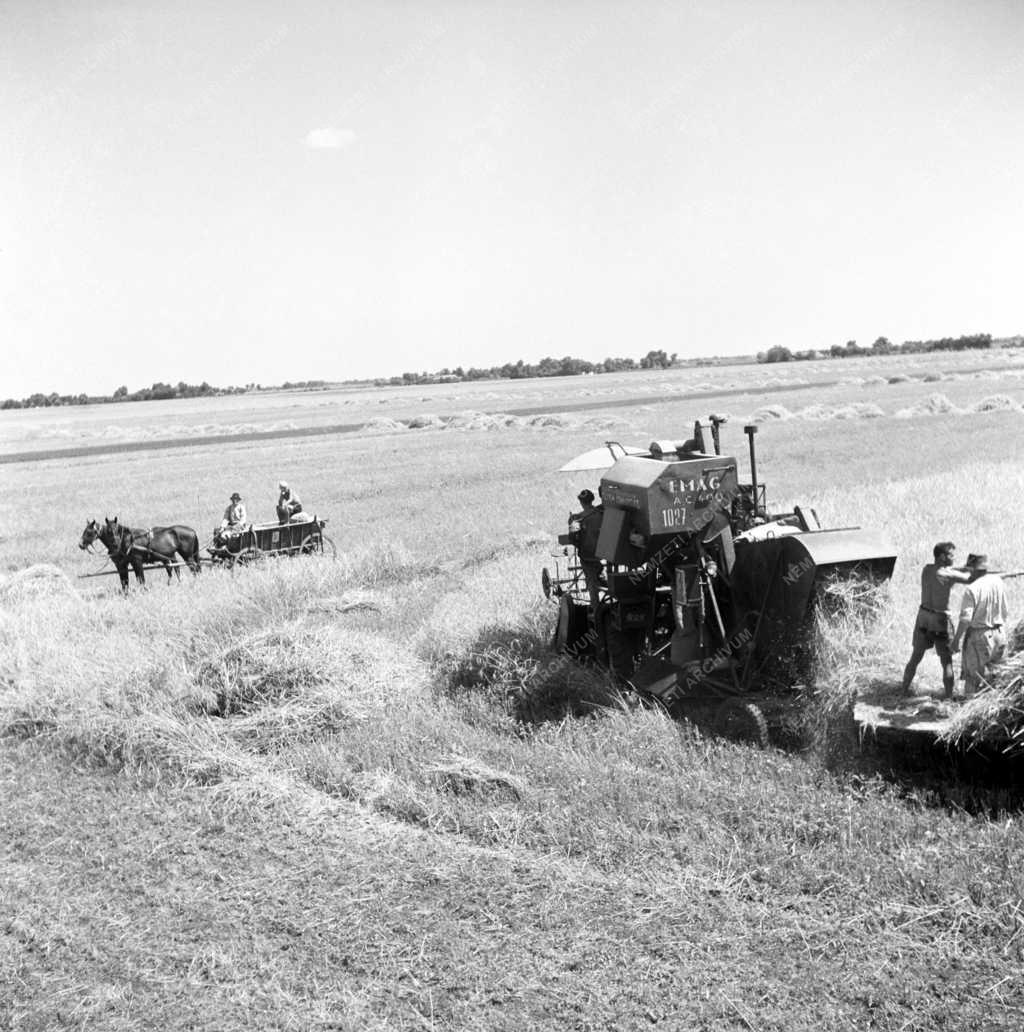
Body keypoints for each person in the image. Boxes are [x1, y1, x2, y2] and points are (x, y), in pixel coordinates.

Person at [901, 541, 973, 697]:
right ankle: (948, 699)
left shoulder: (927, 570)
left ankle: (903, 690)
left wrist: (963, 567)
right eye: (951, 555)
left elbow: (949, 569)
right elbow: (970, 579)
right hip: (940, 620)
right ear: (942, 556)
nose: (954, 557)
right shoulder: (949, 575)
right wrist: (982, 572)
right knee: (946, 662)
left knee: (915, 658)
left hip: (923, 617)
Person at [951, 554, 1008, 695]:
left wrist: (956, 639)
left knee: (972, 677)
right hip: (1000, 633)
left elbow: (965, 619)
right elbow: (1006, 610)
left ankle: (968, 709)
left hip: (979, 637)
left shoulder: (972, 589)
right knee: (998, 677)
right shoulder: (999, 582)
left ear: (972, 569)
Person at [570, 488, 604, 612]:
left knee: (591, 581)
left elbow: (573, 537)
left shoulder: (578, 519)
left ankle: (596, 610)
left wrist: (579, 545)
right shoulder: (601, 512)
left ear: (581, 502)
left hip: (588, 555)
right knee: (598, 568)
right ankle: (601, 574)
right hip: (604, 552)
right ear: (592, 500)